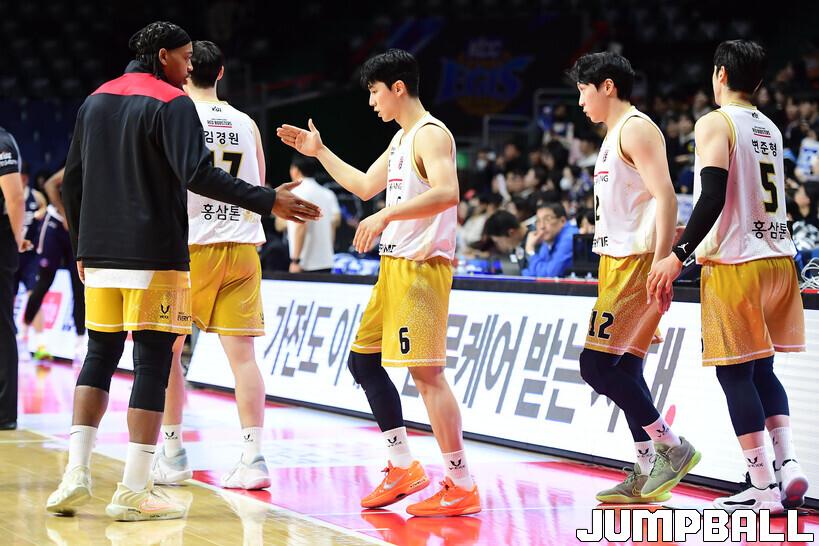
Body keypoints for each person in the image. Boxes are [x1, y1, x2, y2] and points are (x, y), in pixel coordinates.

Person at [46, 21, 320, 522]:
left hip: (100, 254)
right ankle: (134, 488)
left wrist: (82, 246)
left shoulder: (95, 99)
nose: (189, 65)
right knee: (153, 364)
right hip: (158, 253)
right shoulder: (174, 103)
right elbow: (198, 173)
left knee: (98, 357)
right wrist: (267, 200)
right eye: (184, 56)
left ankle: (75, 474)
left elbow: (72, 181)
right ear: (163, 56)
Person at [277, 48, 481, 517]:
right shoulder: (400, 139)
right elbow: (365, 187)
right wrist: (319, 151)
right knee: (363, 362)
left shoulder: (431, 133)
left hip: (421, 268)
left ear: (398, 88)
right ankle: (403, 465)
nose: (371, 102)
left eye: (374, 92)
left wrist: (386, 215)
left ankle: (461, 482)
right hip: (394, 268)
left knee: (427, 376)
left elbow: (448, 192)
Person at [648, 40, 809, 512]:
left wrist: (679, 254)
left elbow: (713, 195)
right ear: (757, 81)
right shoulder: (770, 126)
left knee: (735, 373)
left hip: (738, 263)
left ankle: (762, 486)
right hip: (779, 260)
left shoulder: (715, 122)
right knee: (763, 370)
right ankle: (788, 465)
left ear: (720, 73)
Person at [568, 52, 700, 505]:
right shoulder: (614, 134)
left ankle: (671, 446)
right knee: (624, 368)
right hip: (617, 260)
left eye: (583, 90)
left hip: (638, 261)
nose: (580, 101)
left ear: (607, 86)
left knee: (595, 366)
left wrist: (664, 261)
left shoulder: (636, 128)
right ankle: (646, 473)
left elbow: (667, 197)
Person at [151, 40, 273, 490]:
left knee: (166, 353)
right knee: (244, 360)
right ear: (221, 73)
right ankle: (254, 459)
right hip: (242, 246)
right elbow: (259, 183)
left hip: (192, 246)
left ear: (185, 72)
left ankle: (173, 454)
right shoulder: (246, 122)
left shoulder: (176, 115)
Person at [22, 167, 87, 360]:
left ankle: (79, 343)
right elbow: (50, 185)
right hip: (56, 224)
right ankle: (24, 334)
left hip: (77, 229)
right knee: (43, 282)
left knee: (79, 285)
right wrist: (65, 214)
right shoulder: (80, 162)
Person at [0, 126, 31, 430]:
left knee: (2, 324)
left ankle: (4, 411)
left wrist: (16, 236)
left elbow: (15, 197)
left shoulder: (2, 142)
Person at [275, 155, 341, 273]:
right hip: (326, 261)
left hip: (305, 263)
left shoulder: (295, 193)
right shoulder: (329, 194)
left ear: (295, 169)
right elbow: (335, 222)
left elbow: (299, 226)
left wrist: (295, 260)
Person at [13, 162, 47, 344]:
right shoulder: (9, 195)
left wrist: (41, 212)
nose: (23, 179)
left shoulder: (36, 196)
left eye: (25, 176)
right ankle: (12, 336)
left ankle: (40, 341)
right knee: (8, 297)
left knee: (33, 295)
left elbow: (45, 207)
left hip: (30, 256)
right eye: (20, 175)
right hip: (12, 254)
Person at [521, 203, 578, 277]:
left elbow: (550, 274)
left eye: (547, 219)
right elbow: (531, 273)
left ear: (562, 221)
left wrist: (530, 251)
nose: (542, 226)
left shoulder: (570, 237)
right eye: (538, 221)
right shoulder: (549, 239)